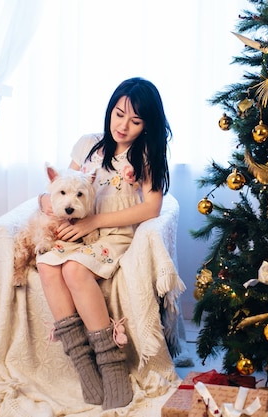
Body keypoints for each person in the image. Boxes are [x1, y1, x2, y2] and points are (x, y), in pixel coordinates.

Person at [36, 77, 171, 410]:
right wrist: (47, 203)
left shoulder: (146, 155)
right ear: (110, 109)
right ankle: (85, 367)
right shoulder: (89, 145)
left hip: (114, 232)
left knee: (75, 271)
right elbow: (64, 185)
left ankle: (111, 366)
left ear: (147, 125)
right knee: (46, 264)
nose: (123, 125)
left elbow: (152, 207)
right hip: (78, 227)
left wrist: (93, 221)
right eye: (119, 114)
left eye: (135, 121)